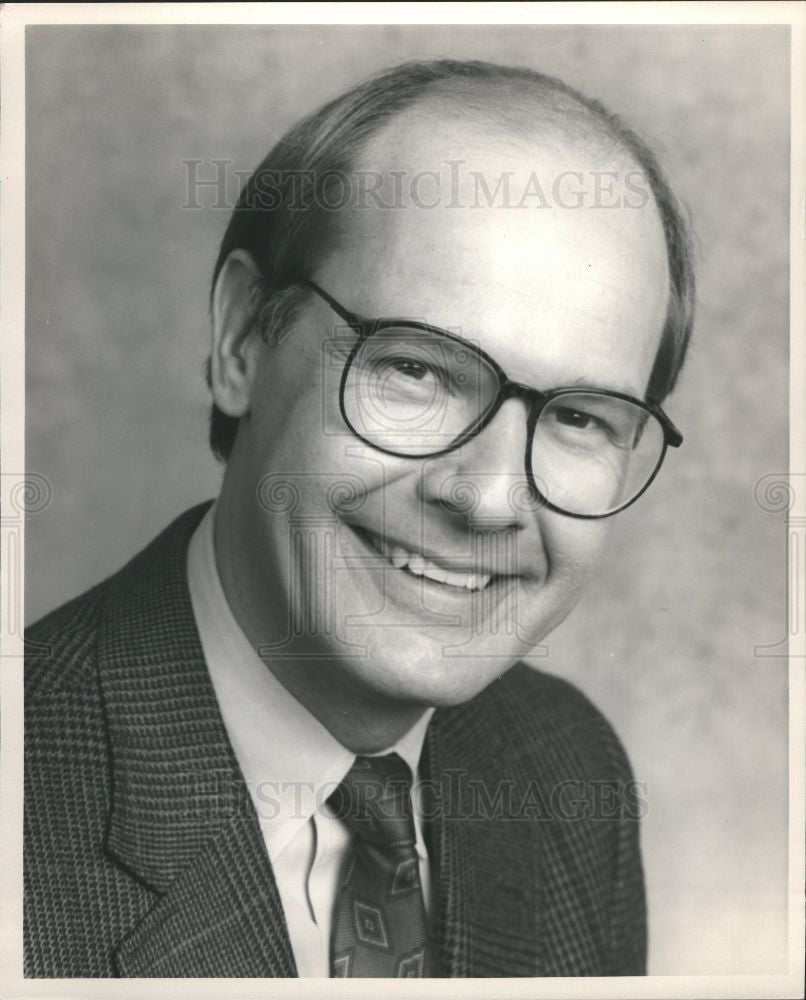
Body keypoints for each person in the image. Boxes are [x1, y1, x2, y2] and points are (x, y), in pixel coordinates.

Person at [24, 59, 694, 978]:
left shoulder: (567, 770)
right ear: (242, 341)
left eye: (578, 418)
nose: (489, 496)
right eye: (415, 369)